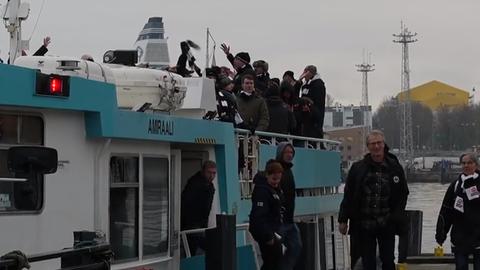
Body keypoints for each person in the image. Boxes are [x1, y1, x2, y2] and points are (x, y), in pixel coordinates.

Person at [338, 130, 409, 270]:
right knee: (367, 261)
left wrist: (396, 216)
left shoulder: (394, 167)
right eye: (373, 144)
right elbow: (348, 195)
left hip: (387, 222)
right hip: (364, 223)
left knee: (388, 260)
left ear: (384, 144)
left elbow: (403, 193)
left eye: (379, 143)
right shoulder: (358, 168)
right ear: (368, 146)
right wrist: (343, 219)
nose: (376, 146)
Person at [435, 153, 480, 270]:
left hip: (478, 235)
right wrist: (441, 232)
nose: (466, 165)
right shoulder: (455, 185)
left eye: (469, 163)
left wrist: (471, 188)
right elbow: (446, 210)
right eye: (464, 163)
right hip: (459, 236)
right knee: (461, 267)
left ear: (476, 165)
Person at [249, 159, 285, 270]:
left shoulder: (273, 189)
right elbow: (259, 216)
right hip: (267, 233)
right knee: (272, 262)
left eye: (278, 179)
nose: (276, 182)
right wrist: (268, 236)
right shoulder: (263, 191)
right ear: (267, 175)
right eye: (274, 179)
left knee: (274, 262)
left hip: (274, 231)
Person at [180, 160, 217, 256]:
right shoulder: (195, 184)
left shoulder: (210, 187)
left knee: (197, 249)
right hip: (191, 224)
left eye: (214, 173)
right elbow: (186, 204)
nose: (211, 176)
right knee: (206, 246)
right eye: (209, 172)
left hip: (200, 224)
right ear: (203, 171)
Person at [276, 142, 302, 270]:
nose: (289, 155)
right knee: (275, 251)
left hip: (289, 219)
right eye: (286, 152)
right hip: (279, 220)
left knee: (296, 246)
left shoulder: (289, 171)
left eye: (291, 152)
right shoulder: (276, 170)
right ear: (281, 153)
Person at [295, 65, 326, 138]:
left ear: (311, 73)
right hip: (305, 119)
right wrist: (299, 81)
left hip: (314, 121)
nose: (304, 74)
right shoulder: (305, 85)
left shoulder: (318, 84)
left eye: (305, 72)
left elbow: (318, 104)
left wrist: (309, 105)